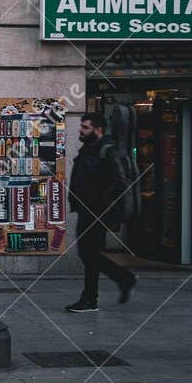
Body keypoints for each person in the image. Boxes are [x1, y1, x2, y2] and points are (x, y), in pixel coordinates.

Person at [66, 111, 137, 313]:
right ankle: (94, 296)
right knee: (89, 255)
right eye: (81, 125)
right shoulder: (89, 149)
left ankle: (119, 282)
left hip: (96, 212)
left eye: (85, 127)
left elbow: (120, 182)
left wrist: (101, 203)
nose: (80, 130)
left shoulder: (107, 150)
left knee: (88, 254)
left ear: (98, 130)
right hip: (85, 210)